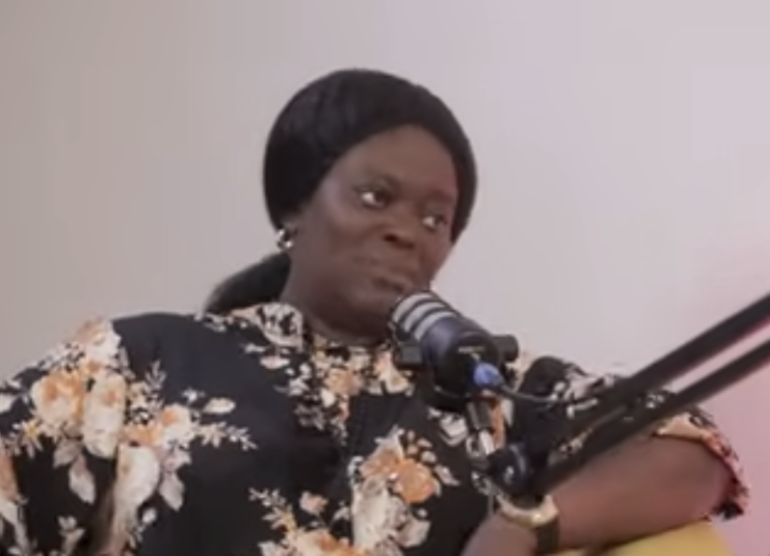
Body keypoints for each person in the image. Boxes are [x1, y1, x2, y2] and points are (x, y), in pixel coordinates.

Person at [0, 69, 745, 556]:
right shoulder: (139, 363)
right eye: (374, 197)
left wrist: (527, 524)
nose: (407, 231)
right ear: (296, 206)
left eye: (436, 218)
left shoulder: (496, 388)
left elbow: (694, 451)